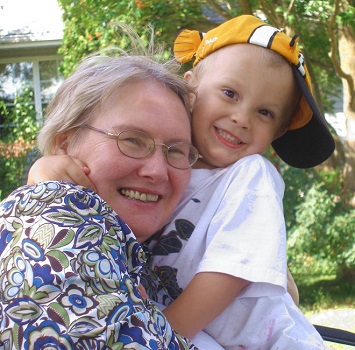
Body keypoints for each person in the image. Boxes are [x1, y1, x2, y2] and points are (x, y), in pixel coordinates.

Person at [26, 15, 335, 349]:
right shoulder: (165, 174)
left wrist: (156, 336)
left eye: (265, 113)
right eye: (230, 93)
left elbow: (229, 274)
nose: (241, 118)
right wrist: (45, 175)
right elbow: (88, 209)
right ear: (191, 91)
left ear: (278, 132)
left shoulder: (251, 175)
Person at [0, 45, 212, 349]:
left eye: (176, 150)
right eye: (133, 140)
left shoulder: (134, 251)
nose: (157, 171)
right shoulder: (53, 228)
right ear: (65, 143)